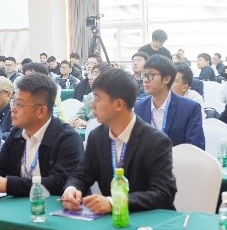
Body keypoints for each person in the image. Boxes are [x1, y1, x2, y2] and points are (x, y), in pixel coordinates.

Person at [61, 68, 177, 215]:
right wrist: (72, 189)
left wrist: (115, 202)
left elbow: (163, 193)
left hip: (148, 220)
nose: (92, 105)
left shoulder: (156, 141)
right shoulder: (97, 137)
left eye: (98, 99)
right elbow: (81, 175)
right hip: (112, 220)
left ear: (119, 104)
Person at [0, 74, 84, 199]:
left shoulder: (67, 138)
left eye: (19, 104)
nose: (13, 109)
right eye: (13, 103)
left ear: (41, 111)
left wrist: (9, 185)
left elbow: (59, 182)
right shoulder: (17, 133)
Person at [133, 56, 204, 149]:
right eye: (145, 75)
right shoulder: (139, 107)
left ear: (167, 79)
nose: (146, 80)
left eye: (151, 75)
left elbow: (196, 148)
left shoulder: (190, 108)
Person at [71, 63, 101, 128]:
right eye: (91, 74)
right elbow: (81, 113)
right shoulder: (91, 96)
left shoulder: (112, 98)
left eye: (95, 74)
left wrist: (86, 124)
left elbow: (109, 124)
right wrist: (74, 119)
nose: (89, 77)